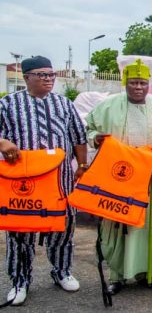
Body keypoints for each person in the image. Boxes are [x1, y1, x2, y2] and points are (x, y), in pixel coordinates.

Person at [0, 56, 87, 305]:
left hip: (60, 182)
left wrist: (81, 165)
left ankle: (61, 271)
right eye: (42, 75)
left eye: (51, 75)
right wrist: (3, 142)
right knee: (21, 233)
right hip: (24, 184)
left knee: (64, 228)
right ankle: (19, 281)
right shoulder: (8, 104)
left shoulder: (64, 104)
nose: (48, 79)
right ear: (27, 77)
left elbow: (79, 137)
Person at [85, 59, 152, 295]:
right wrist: (96, 138)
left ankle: (147, 273)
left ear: (148, 84)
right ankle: (117, 276)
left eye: (142, 83)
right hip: (118, 177)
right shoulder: (109, 106)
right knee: (116, 225)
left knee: (145, 225)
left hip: (146, 179)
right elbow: (88, 128)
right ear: (125, 82)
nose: (138, 87)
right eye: (133, 82)